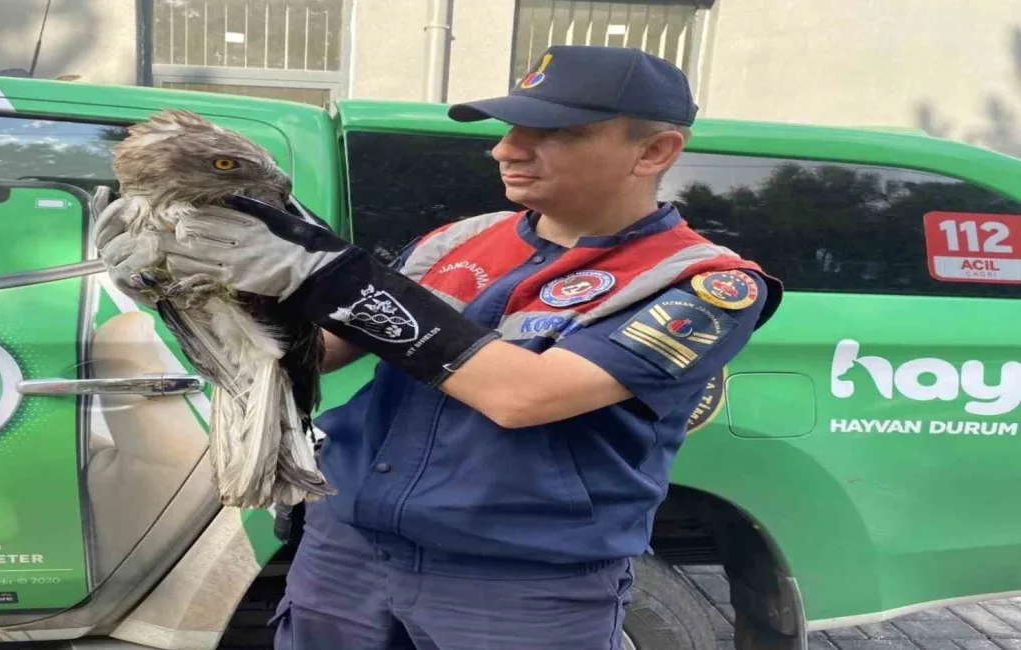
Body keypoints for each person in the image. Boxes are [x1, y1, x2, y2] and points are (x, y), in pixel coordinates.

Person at [95, 45, 783, 650]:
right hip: (345, 551)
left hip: (517, 586)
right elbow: (319, 353)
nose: (507, 148)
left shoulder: (704, 284)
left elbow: (523, 396)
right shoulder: (459, 239)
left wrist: (327, 272)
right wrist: (198, 297)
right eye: (512, 127)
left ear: (655, 151)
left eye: (556, 132)